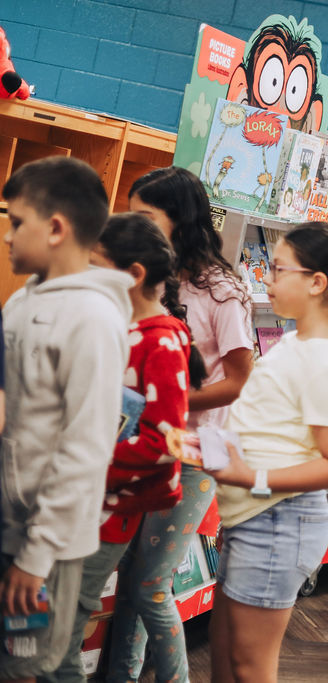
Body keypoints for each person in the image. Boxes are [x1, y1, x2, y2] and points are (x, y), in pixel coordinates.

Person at [203, 222, 328, 680]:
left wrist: (253, 480)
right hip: (256, 519)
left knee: (249, 665)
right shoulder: (297, 343)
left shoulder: (325, 360)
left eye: (278, 268)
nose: (266, 277)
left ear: (317, 282)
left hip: (276, 521)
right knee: (225, 656)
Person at [44, 214, 207, 683]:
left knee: (58, 643)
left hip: (107, 512)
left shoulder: (162, 344)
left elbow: (163, 440)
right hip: (75, 502)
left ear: (133, 275)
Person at [107, 166, 253, 680]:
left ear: (180, 220)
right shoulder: (150, 275)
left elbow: (237, 379)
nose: (134, 224)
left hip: (195, 450)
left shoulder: (220, 290)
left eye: (145, 215)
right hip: (144, 442)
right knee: (130, 577)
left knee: (150, 582)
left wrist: (175, 398)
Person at [0, 157, 131, 681]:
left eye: (15, 222)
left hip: (44, 549)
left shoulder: (95, 319)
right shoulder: (22, 301)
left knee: (24, 666)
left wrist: (37, 555)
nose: (7, 236)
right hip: (10, 528)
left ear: (56, 228)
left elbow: (85, 448)